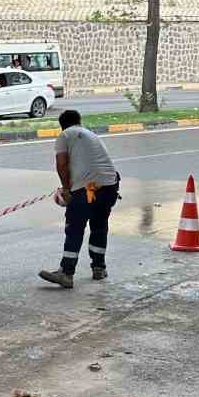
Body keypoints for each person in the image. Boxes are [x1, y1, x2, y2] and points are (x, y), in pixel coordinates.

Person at [38, 110, 120, 288]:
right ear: (79, 121)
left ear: (62, 125)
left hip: (88, 189)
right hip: (109, 186)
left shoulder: (65, 135)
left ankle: (66, 274)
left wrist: (67, 190)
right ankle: (99, 268)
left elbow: (61, 164)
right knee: (99, 225)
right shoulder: (92, 134)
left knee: (75, 227)